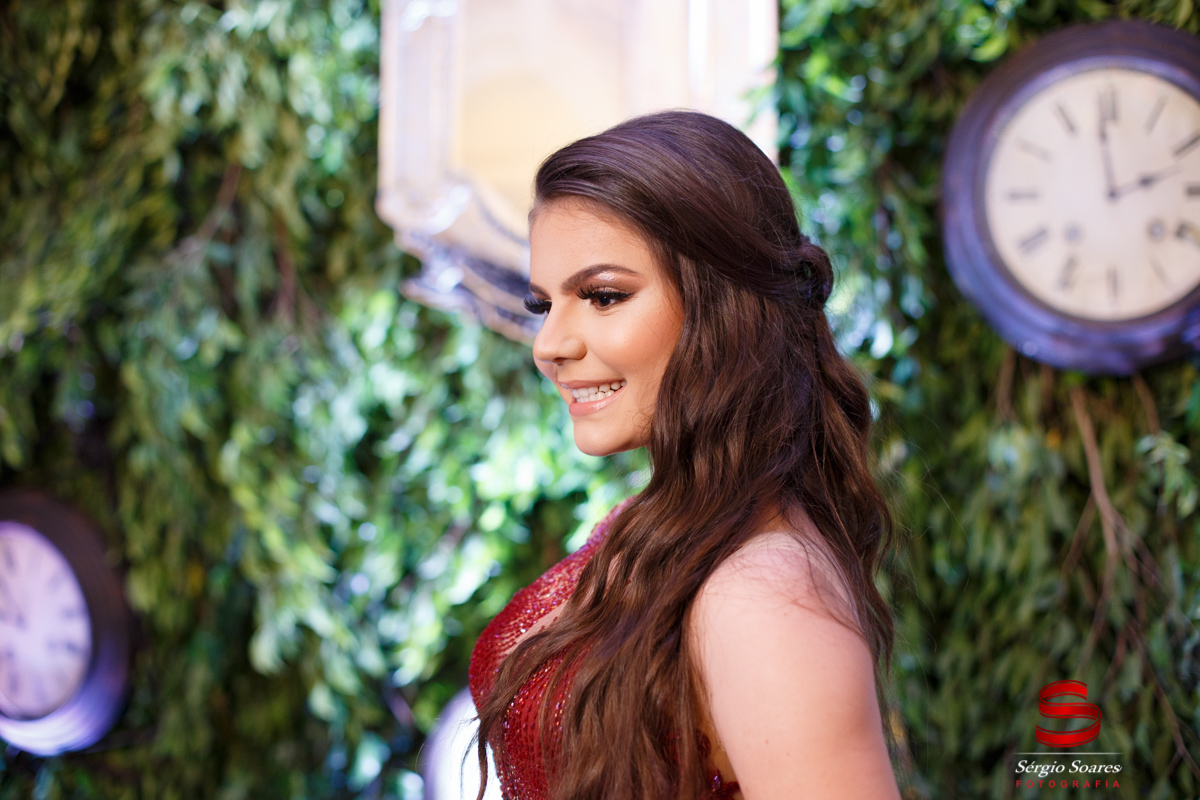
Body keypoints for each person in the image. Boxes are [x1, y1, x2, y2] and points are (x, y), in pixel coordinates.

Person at [468, 110, 902, 800]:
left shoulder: (763, 596)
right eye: (543, 304)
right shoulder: (658, 527)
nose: (548, 346)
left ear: (722, 306)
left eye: (602, 296)